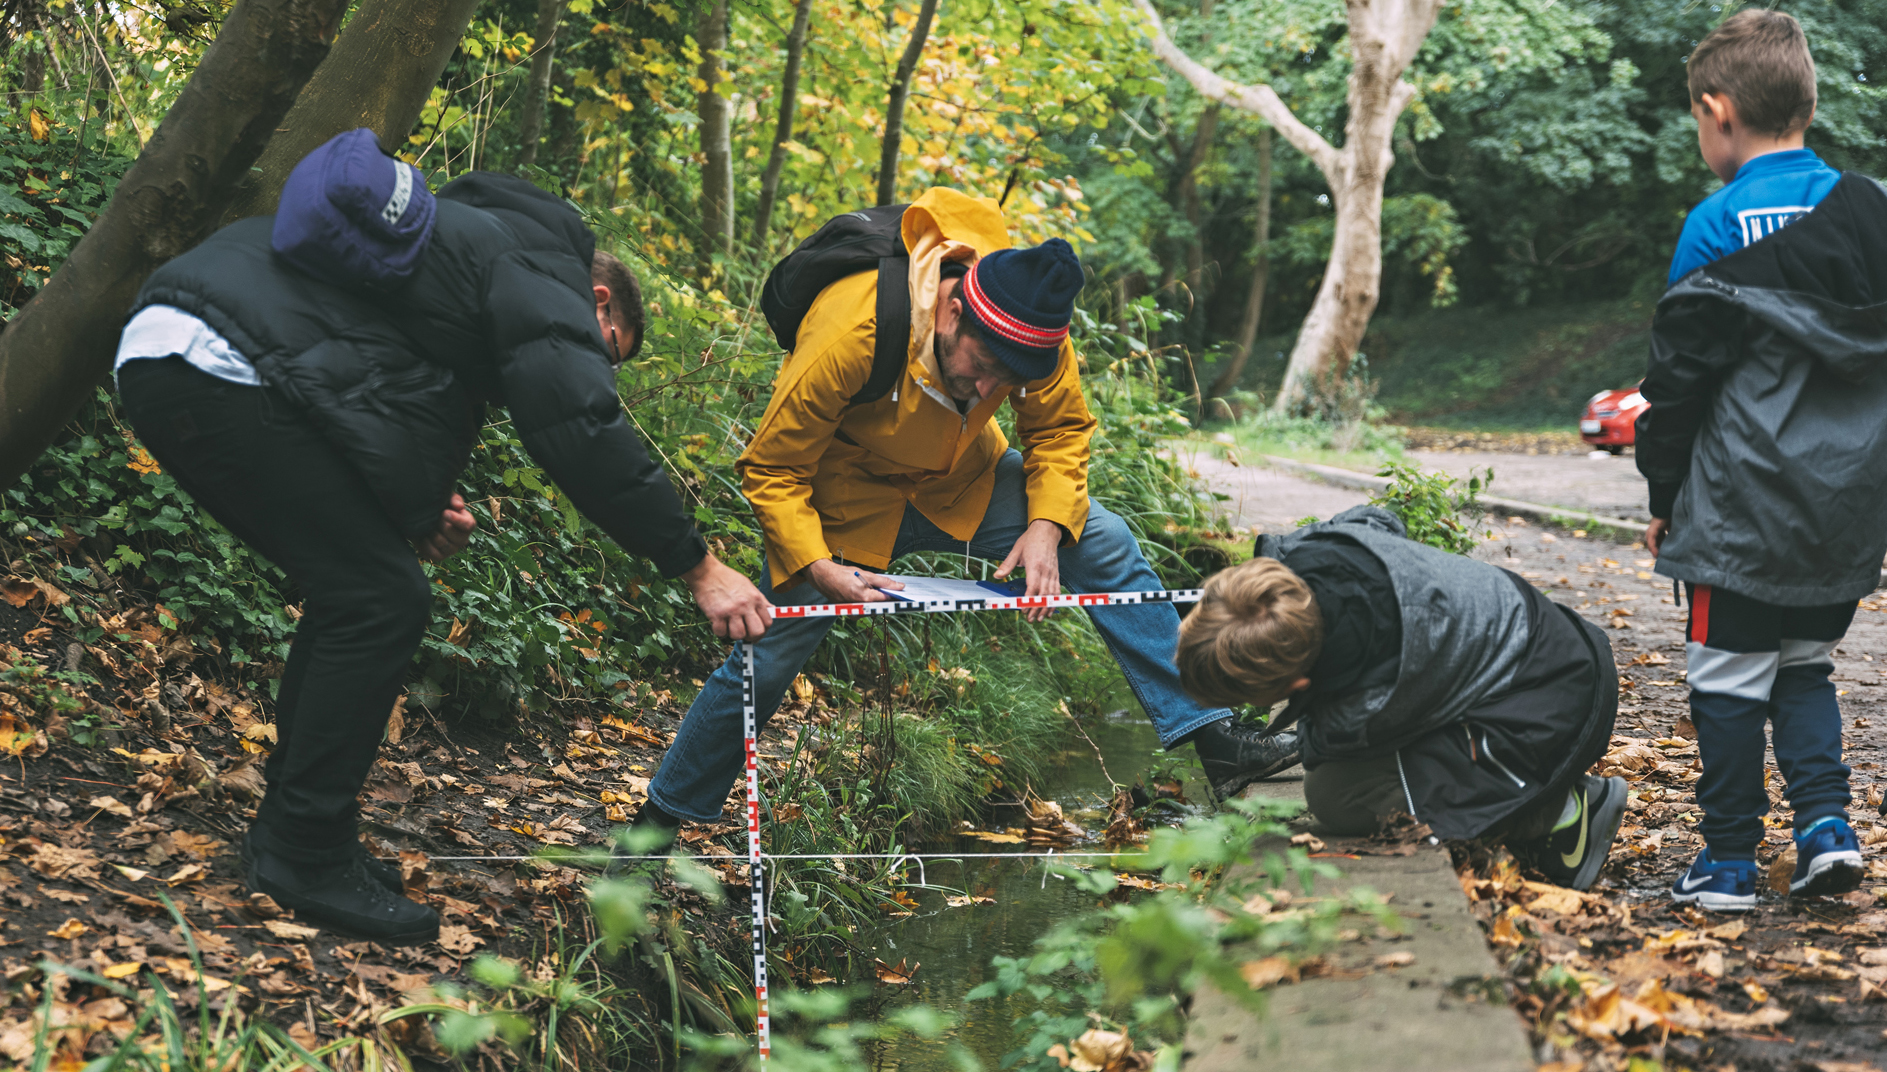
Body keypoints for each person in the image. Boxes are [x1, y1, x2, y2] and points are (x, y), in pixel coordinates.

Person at [114, 129, 772, 943]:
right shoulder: (538, 276)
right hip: (220, 364)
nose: (599, 367)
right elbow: (581, 426)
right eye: (608, 353)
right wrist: (697, 564)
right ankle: (300, 852)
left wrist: (416, 509)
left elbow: (362, 377)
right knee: (377, 599)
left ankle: (302, 833)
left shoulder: (464, 254)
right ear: (598, 304)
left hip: (190, 348)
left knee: (365, 587)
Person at [638, 187, 1292, 831]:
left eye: (1010, 381)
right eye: (982, 368)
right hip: (842, 499)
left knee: (1102, 540)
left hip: (962, 479)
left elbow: (1060, 430)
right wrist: (813, 563)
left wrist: (1044, 524)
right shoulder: (852, 327)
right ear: (952, 312)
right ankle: (656, 828)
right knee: (767, 652)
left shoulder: (1035, 331)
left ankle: (1215, 740)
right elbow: (773, 467)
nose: (990, 389)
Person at [1638, 10, 1886, 911]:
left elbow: (1676, 386)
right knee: (1804, 666)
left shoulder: (1714, 225)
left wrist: (1663, 495)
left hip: (1740, 504)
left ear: (1717, 110)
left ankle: (1728, 863)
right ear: (1805, 103)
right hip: (1845, 508)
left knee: (1727, 680)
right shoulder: (1871, 213)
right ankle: (1826, 830)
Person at [1175, 506, 1625, 891]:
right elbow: (1380, 519)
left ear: (1295, 685)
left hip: (1557, 700)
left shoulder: (1371, 693)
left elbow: (1325, 748)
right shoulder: (1311, 553)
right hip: (1559, 639)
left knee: (1336, 794)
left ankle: (1559, 813)